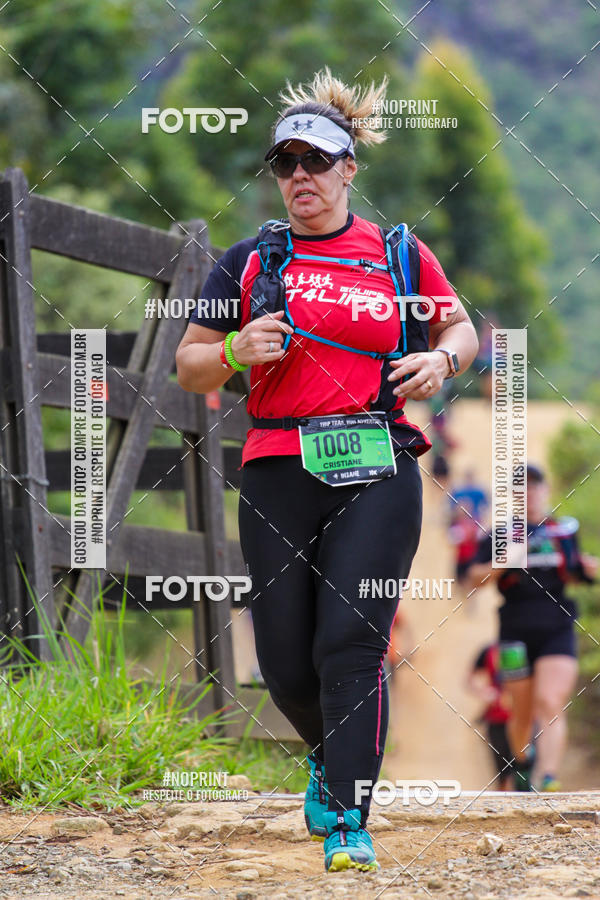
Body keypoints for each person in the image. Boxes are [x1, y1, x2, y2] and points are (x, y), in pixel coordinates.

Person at [176, 68, 478, 872]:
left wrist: (441, 362)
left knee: (351, 642)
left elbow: (459, 329)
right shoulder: (249, 261)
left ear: (349, 168)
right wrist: (236, 347)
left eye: (316, 160)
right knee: (284, 661)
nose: (300, 175)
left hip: (377, 465)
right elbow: (190, 366)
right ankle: (325, 756)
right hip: (278, 467)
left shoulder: (398, 253)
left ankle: (349, 817)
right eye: (286, 163)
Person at [465, 464, 597, 791]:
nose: (530, 493)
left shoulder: (562, 532)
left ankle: (548, 777)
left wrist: (587, 568)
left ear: (545, 490)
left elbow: (576, 573)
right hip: (514, 632)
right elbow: (474, 579)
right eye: (522, 488)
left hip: (557, 627)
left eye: (535, 486)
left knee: (551, 701)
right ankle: (523, 766)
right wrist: (505, 560)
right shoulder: (499, 534)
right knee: (521, 712)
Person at [466, 643, 513, 791]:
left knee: (522, 766)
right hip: (496, 720)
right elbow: (469, 679)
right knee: (502, 770)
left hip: (521, 719)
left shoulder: (528, 648)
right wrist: (485, 693)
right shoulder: (489, 651)